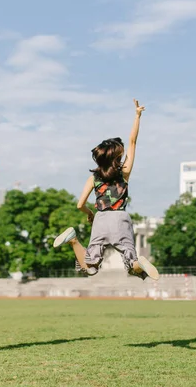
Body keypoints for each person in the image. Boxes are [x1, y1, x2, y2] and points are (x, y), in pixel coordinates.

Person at [53, 99, 159, 281]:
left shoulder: (93, 178)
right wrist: (137, 116)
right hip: (120, 218)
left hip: (100, 219)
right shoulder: (123, 173)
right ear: (117, 157)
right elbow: (133, 142)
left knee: (90, 267)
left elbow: (80, 204)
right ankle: (138, 263)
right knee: (132, 266)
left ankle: (73, 239)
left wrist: (90, 214)